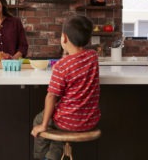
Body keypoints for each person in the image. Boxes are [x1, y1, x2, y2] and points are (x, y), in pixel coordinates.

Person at [31, 15, 101, 160]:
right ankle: (51, 157)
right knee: (59, 134)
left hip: (67, 122)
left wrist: (44, 125)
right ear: (88, 40)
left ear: (64, 38)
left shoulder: (61, 67)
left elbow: (51, 96)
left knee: (40, 120)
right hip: (89, 121)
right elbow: (76, 60)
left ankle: (40, 158)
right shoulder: (93, 57)